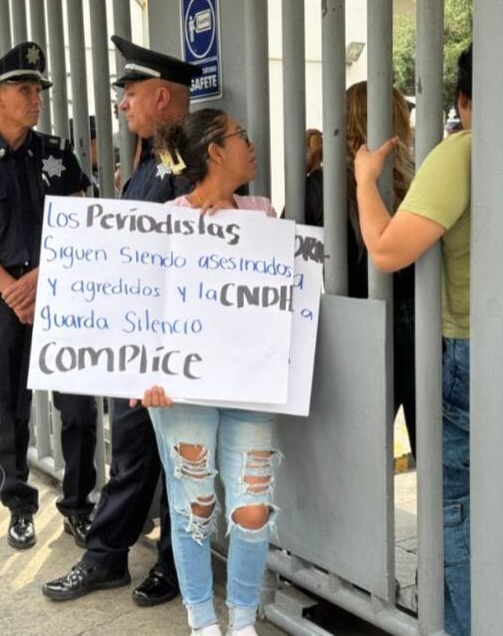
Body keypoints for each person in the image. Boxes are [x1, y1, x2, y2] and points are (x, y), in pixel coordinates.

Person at [42, 36, 200, 606]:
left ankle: (173, 566)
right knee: (134, 450)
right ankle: (108, 558)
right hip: (139, 339)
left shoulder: (190, 159)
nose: (121, 104)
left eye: (129, 93)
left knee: (180, 458)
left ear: (161, 97)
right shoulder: (150, 162)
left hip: (176, 340)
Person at [134, 108, 277, 636]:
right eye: (243, 136)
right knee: (194, 505)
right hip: (182, 389)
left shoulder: (263, 213)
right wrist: (144, 373)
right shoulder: (167, 219)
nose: (252, 145)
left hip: (251, 384)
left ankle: (242, 620)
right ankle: (202, 622)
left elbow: (284, 295)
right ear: (216, 151)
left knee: (253, 508)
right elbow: (142, 307)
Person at [353, 44, 473, 636]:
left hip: (469, 350)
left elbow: (386, 250)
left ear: (463, 100)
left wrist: (363, 181)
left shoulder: (465, 152)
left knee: (459, 508)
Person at [0, 41, 100, 551]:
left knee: (78, 408)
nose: (36, 98)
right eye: (25, 88)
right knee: (11, 408)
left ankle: (78, 505)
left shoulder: (57, 155)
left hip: (60, 289)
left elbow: (82, 224)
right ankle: (19, 505)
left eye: (39, 89)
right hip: (6, 295)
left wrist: (42, 277)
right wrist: (11, 288)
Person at [303, 82, 418, 455]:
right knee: (434, 448)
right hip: (421, 318)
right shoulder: (413, 180)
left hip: (352, 320)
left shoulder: (321, 185)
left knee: (359, 455)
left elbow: (286, 252)